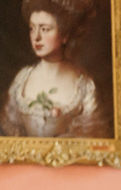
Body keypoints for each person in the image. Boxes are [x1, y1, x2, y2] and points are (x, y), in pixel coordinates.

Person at [1, 0, 108, 138]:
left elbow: (94, 138)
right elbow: (8, 134)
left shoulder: (84, 86)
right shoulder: (21, 79)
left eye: (45, 29)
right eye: (32, 28)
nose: (36, 37)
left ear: (64, 35)